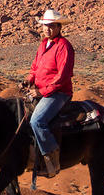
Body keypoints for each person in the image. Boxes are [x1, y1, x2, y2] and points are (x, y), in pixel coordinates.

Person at [25, 9, 75, 176]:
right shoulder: (43, 45)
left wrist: (41, 92)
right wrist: (28, 80)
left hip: (59, 93)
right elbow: (35, 68)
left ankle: (51, 162)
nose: (47, 29)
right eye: (45, 26)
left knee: (37, 121)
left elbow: (63, 76)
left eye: (51, 26)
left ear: (59, 27)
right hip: (41, 90)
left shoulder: (64, 46)